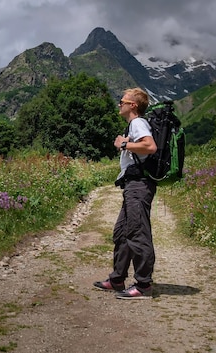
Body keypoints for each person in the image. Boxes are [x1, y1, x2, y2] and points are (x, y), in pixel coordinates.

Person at [93, 88, 158, 299]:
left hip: (139, 185)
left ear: (133, 105)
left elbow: (150, 146)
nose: (119, 104)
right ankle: (117, 279)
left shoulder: (138, 123)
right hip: (132, 185)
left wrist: (123, 143)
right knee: (122, 233)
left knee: (138, 233)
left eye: (122, 101)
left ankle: (143, 285)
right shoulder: (134, 124)